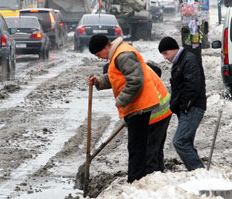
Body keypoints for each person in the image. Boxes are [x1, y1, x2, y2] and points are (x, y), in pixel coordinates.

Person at [88, 34, 160, 183]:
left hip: (140, 106)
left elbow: (135, 80)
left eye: (98, 54)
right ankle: (137, 179)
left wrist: (122, 99)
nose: (99, 58)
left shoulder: (123, 54)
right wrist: (99, 81)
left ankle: (135, 182)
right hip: (136, 106)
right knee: (136, 146)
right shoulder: (117, 55)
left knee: (136, 148)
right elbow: (115, 77)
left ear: (105, 47)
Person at [103, 61, 172, 173]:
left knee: (149, 151)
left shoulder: (129, 79)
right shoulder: (135, 67)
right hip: (165, 109)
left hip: (154, 113)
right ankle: (159, 177)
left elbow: (133, 100)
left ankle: (152, 179)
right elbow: (157, 70)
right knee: (156, 148)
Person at [158, 36, 206, 170]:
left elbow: (193, 85)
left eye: (165, 53)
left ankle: (198, 171)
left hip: (192, 107)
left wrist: (186, 105)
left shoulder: (188, 60)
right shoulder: (180, 61)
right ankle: (198, 173)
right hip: (186, 108)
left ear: (173, 49)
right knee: (186, 141)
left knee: (180, 141)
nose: (165, 58)